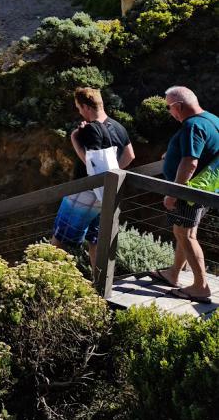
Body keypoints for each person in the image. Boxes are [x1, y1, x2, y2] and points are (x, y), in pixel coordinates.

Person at [51, 87, 134, 260]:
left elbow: (92, 164)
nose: (79, 112)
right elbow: (130, 155)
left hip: (85, 191)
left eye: (79, 108)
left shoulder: (91, 129)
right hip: (105, 194)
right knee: (96, 240)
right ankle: (99, 285)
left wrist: (74, 139)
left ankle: (52, 283)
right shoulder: (119, 127)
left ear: (86, 107)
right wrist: (111, 175)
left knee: (60, 241)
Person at [153, 86, 219, 301]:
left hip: (188, 192)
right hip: (205, 189)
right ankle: (174, 273)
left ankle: (201, 287)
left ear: (178, 106)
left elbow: (190, 162)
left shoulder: (192, 125)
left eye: (169, 108)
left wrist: (174, 192)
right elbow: (205, 149)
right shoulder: (212, 119)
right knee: (183, 231)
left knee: (186, 235)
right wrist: (171, 152)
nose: (170, 112)